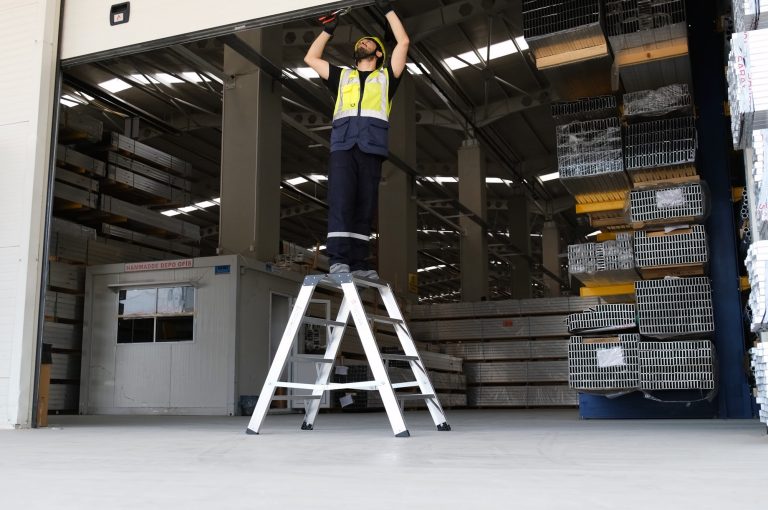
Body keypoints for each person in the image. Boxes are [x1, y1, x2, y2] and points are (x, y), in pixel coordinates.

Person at [304, 0, 410, 279]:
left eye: (368, 41)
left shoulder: (387, 78)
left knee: (365, 205)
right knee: (341, 202)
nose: (362, 42)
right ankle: (338, 259)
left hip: (371, 147)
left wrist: (387, 9)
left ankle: (360, 263)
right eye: (360, 42)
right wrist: (328, 31)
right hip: (343, 147)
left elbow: (403, 42)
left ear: (378, 52)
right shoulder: (342, 76)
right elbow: (311, 58)